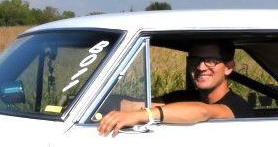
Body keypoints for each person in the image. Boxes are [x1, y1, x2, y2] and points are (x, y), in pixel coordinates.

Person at [97, 40, 251, 135]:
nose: (200, 67)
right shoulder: (183, 98)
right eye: (195, 60)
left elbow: (203, 111)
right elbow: (137, 105)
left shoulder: (236, 107)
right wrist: (101, 104)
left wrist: (139, 116)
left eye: (211, 61)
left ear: (228, 68)